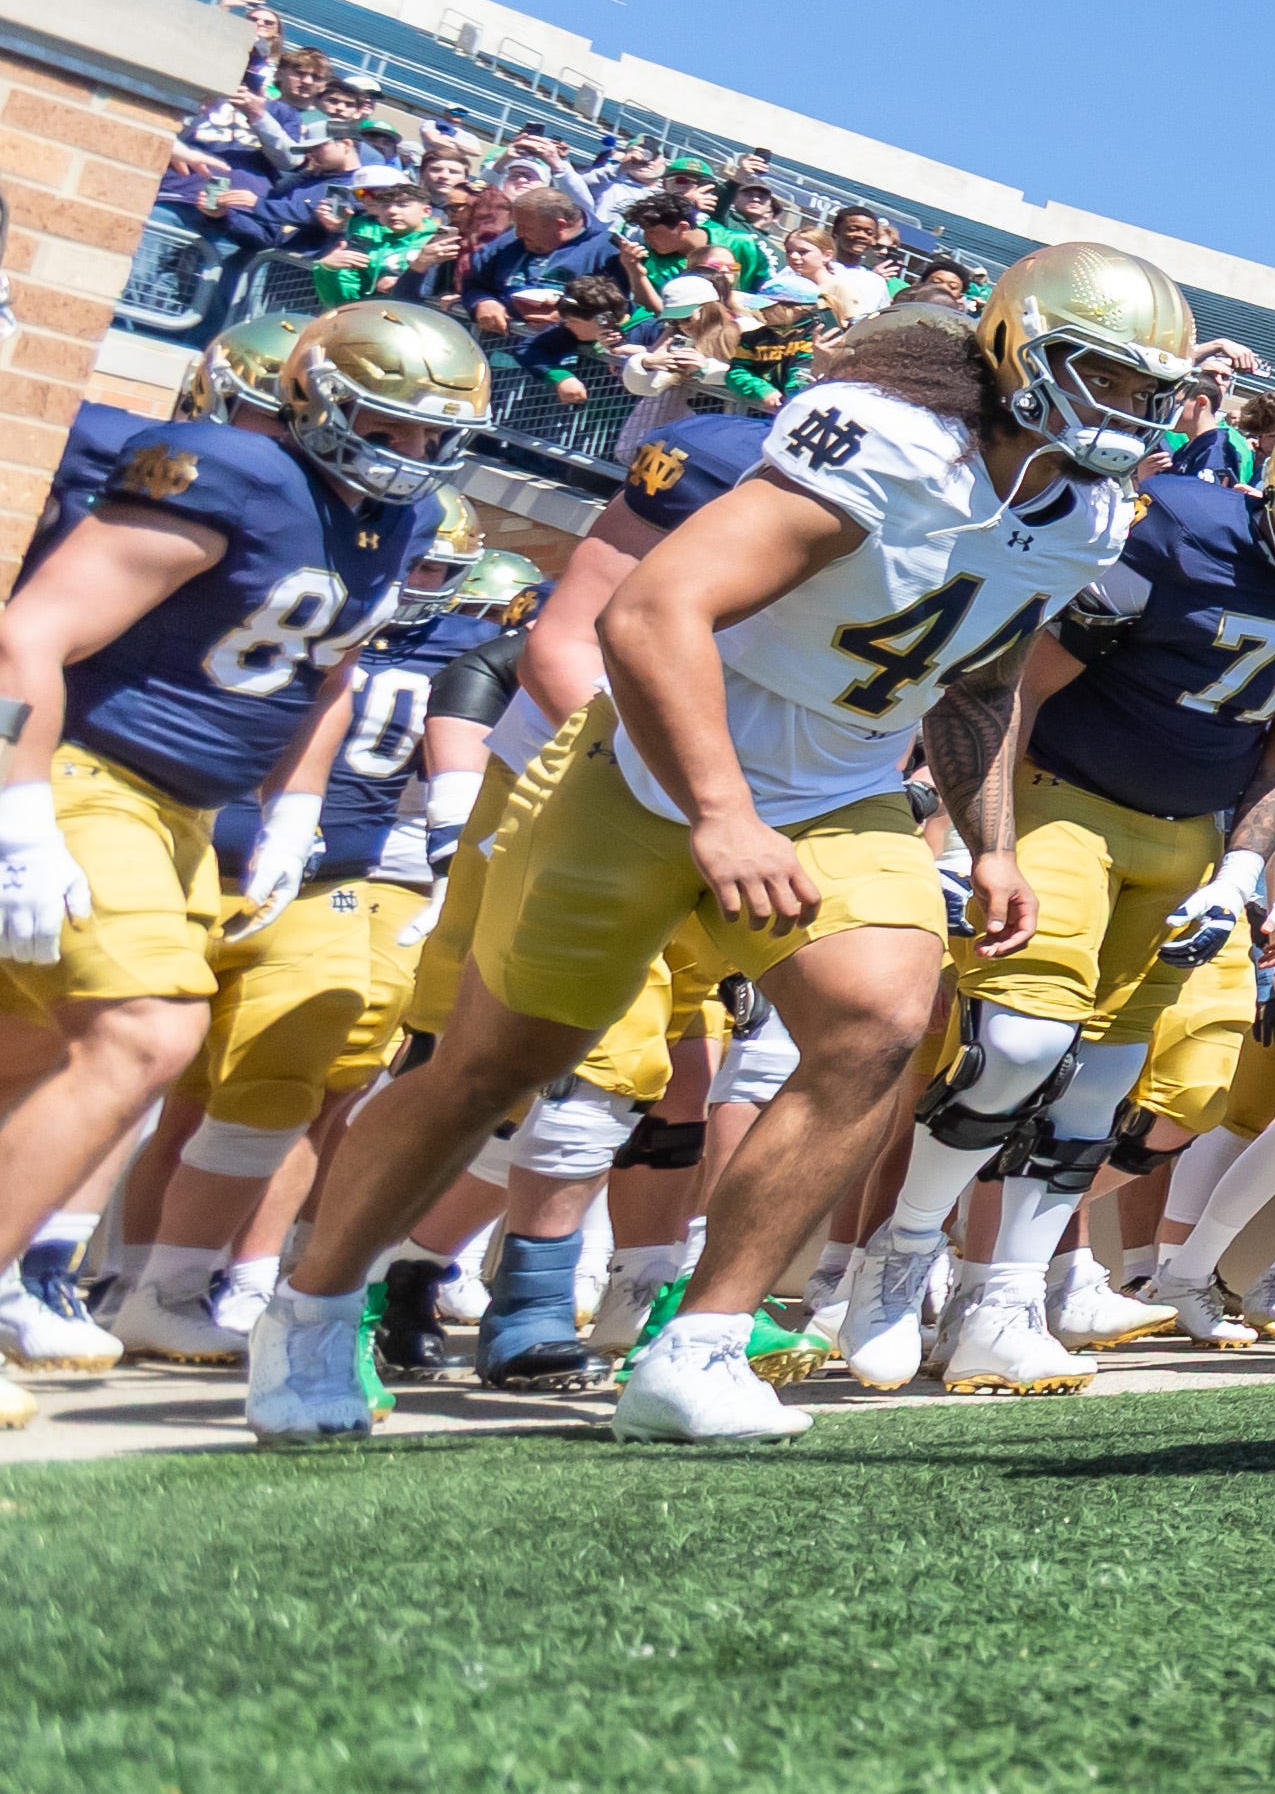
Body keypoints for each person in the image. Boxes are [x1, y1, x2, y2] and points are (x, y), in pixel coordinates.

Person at [248, 246, 1189, 1444]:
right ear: (1018, 355)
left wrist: (993, 841)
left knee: (879, 1022)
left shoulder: (1086, 513)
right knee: (490, 1069)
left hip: (840, 788)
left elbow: (978, 682)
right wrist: (720, 811)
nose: (1126, 408)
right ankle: (312, 1307)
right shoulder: (889, 444)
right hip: (645, 771)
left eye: (1145, 386)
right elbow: (651, 611)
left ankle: (698, 1344)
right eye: (1099, 371)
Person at [834, 393, 1275, 1396]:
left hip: (1188, 833)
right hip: (1064, 797)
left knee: (1100, 1087)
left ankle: (1004, 1302)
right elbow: (1015, 681)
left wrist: (1247, 869)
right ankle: (894, 1267)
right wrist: (984, 836)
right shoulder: (1185, 529)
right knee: (1013, 1049)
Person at [0, 302, 491, 1397]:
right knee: (146, 1034)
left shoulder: (393, 527)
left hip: (185, 812)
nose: (410, 453)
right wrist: (21, 809)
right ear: (318, 401)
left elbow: (328, 670)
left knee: (30, 1052)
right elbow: (30, 632)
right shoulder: (233, 471)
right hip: (92, 769)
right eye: (387, 425)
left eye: (429, 434)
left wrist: (295, 810)